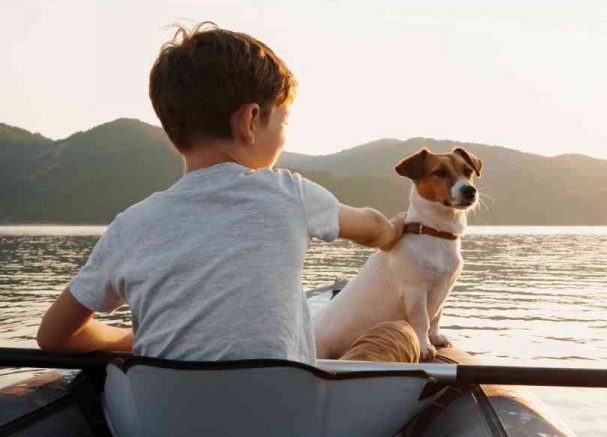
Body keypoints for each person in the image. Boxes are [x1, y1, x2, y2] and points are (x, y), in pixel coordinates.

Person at [37, 22, 420, 365]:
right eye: (283, 120)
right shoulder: (289, 193)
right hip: (287, 432)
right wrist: (393, 231)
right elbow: (370, 227)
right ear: (251, 120)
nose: (285, 135)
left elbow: (54, 336)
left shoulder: (130, 225)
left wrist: (133, 340)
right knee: (397, 334)